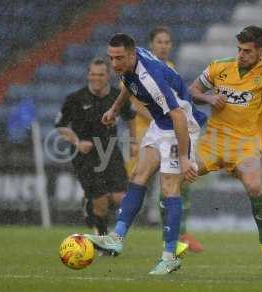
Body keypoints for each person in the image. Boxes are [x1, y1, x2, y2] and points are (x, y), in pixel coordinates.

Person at [85, 33, 206, 275]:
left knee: (169, 187)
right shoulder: (129, 62)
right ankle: (116, 238)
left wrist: (184, 158)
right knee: (138, 176)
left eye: (119, 58)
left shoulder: (149, 76)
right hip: (160, 123)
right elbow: (129, 85)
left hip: (179, 124)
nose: (114, 64)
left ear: (131, 55)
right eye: (111, 58)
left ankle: (170, 256)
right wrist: (115, 109)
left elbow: (179, 116)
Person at [189, 25, 262, 273]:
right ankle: (173, 241)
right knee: (177, 176)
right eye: (239, 49)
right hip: (213, 141)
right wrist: (208, 98)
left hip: (246, 144)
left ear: (261, 52)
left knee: (254, 185)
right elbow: (193, 90)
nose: (241, 54)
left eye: (248, 51)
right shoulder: (219, 67)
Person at [127, 26, 203, 252]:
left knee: (175, 181)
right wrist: (160, 119)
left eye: (167, 42)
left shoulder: (169, 68)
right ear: (151, 45)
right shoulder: (136, 66)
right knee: (134, 183)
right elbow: (134, 103)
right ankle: (112, 232)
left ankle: (177, 234)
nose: (164, 46)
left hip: (169, 131)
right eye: (159, 42)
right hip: (147, 132)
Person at [56, 57, 136, 237]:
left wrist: (133, 142)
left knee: (120, 199)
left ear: (108, 76)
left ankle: (89, 205)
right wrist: (77, 142)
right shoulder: (75, 99)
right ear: (88, 75)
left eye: (100, 74)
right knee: (100, 200)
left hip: (110, 151)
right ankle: (102, 238)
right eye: (92, 74)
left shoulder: (118, 96)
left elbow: (130, 117)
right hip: (85, 155)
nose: (96, 78)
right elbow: (60, 126)